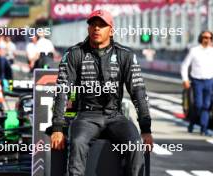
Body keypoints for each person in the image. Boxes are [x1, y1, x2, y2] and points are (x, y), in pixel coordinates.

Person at [51, 10, 153, 176]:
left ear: (111, 30)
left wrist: (146, 129)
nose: (96, 29)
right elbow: (62, 90)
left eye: (102, 25)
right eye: (93, 25)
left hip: (115, 116)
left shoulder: (124, 55)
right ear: (88, 28)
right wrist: (58, 127)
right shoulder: (74, 54)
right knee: (77, 142)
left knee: (135, 143)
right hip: (86, 116)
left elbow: (138, 92)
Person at [181, 30, 213, 136]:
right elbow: (184, 65)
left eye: (209, 38)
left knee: (206, 105)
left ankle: (203, 128)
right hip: (197, 81)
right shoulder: (194, 51)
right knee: (198, 105)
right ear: (201, 38)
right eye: (205, 37)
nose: (207, 40)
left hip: (209, 81)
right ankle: (192, 122)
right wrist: (185, 79)